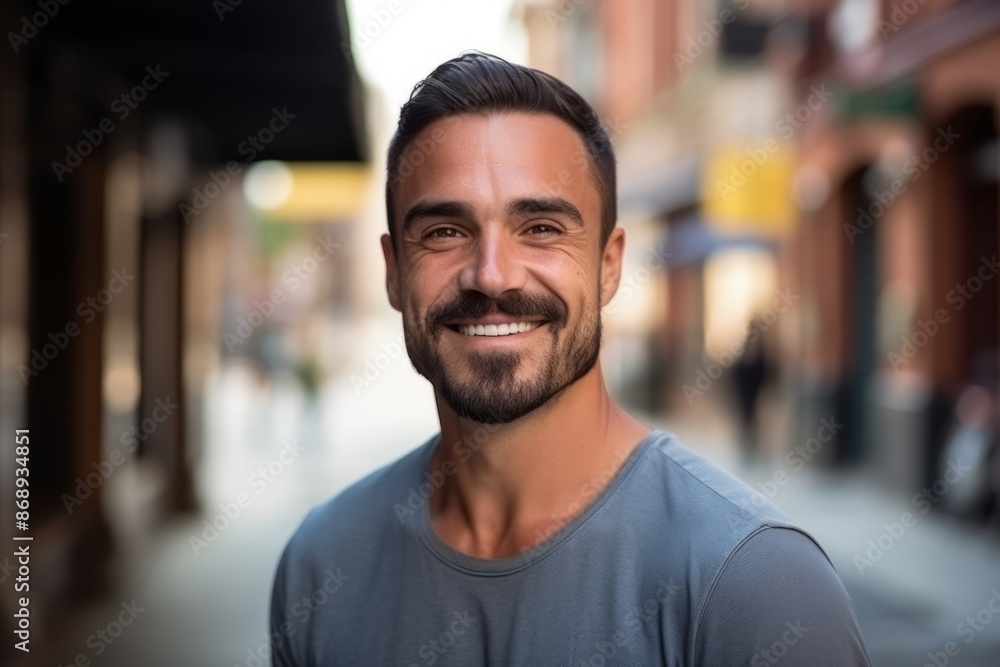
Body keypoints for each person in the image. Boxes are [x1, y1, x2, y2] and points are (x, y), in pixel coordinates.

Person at [269, 52, 871, 666]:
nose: (492, 276)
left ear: (609, 265)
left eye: (542, 228)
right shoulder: (321, 566)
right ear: (395, 272)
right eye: (445, 231)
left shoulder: (755, 585)